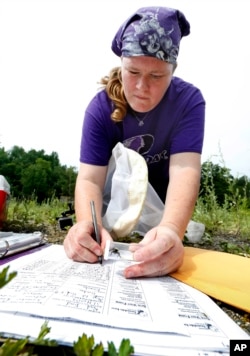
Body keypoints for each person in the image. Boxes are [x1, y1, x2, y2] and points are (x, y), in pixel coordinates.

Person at [64, 6, 205, 278]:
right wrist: (86, 225)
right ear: (121, 64)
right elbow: (90, 179)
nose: (142, 88)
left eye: (156, 76)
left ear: (173, 71)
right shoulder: (100, 107)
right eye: (133, 72)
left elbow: (185, 169)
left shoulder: (188, 102)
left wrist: (172, 230)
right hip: (114, 208)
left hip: (162, 208)